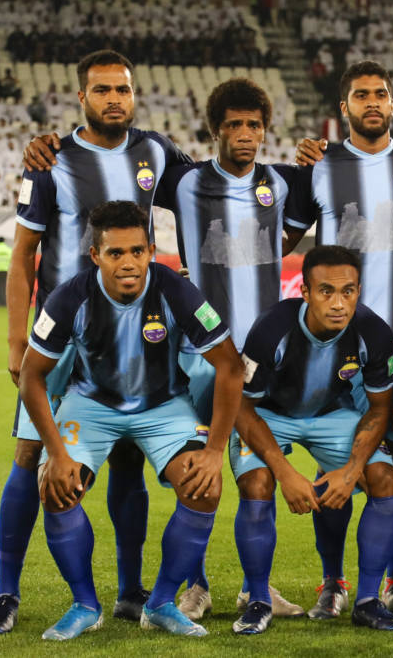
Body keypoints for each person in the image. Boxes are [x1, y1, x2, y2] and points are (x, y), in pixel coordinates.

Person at [0, 50, 191, 635]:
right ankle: (6, 591)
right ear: (82, 97)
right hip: (59, 338)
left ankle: (129, 591)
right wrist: (17, 339)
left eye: (122, 89)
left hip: (131, 332)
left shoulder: (155, 152)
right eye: (102, 90)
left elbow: (214, 183)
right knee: (31, 457)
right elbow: (22, 256)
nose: (114, 99)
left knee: (127, 456)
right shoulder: (51, 160)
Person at [18, 201, 243, 639]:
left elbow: (230, 367)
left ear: (151, 251)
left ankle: (160, 603)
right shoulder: (70, 297)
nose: (128, 263)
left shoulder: (176, 290)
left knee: (204, 486)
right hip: (92, 403)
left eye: (138, 251)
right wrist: (57, 454)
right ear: (95, 256)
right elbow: (31, 376)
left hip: (163, 405)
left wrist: (215, 451)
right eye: (116, 253)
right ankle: (85, 605)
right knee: (56, 487)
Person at [154, 77, 314, 622]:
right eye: (234, 125)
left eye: (254, 125)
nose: (245, 134)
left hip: (261, 359)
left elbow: (293, 230)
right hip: (198, 358)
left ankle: (257, 590)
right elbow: (131, 158)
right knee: (196, 476)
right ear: (215, 131)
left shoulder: (283, 183)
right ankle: (194, 586)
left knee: (257, 479)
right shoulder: (184, 182)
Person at [306, 60, 393, 618]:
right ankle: (333, 581)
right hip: (337, 341)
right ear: (345, 108)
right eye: (361, 95)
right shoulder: (318, 166)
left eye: (381, 93)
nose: (373, 102)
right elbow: (282, 234)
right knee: (334, 459)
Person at [231, 245, 393, 633]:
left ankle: (367, 601)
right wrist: (286, 473)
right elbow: (241, 408)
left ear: (359, 290)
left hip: (332, 415)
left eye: (348, 291)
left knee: (383, 478)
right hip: (268, 416)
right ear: (305, 292)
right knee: (257, 483)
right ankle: (258, 600)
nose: (339, 303)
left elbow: (379, 409)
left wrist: (351, 470)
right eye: (326, 291)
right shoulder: (271, 329)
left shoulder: (375, 333)